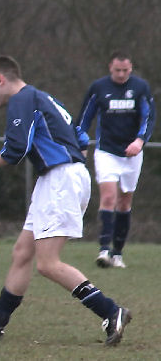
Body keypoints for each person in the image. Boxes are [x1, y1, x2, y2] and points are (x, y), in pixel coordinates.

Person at [0, 55, 131, 347]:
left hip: (60, 180)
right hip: (58, 178)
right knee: (22, 252)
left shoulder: (21, 100)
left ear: (1, 80)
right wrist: (75, 164)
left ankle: (111, 311)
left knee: (48, 264)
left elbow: (16, 148)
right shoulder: (44, 97)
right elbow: (80, 135)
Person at [76, 51, 155, 269]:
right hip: (106, 151)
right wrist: (79, 142)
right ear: (110, 67)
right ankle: (103, 250)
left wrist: (140, 141)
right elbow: (84, 118)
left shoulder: (140, 88)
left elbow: (149, 117)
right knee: (109, 197)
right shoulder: (98, 88)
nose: (121, 74)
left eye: (125, 70)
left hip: (132, 154)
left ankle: (118, 253)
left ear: (131, 69)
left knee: (124, 201)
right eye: (117, 70)